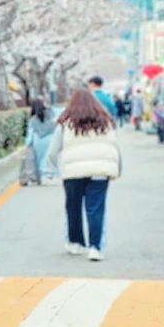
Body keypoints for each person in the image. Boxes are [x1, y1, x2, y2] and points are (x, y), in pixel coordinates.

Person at [47, 87, 120, 261]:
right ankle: (95, 247)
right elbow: (114, 148)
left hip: (73, 173)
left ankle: (76, 243)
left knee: (73, 207)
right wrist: (117, 169)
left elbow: (53, 150)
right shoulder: (106, 123)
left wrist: (49, 170)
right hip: (99, 172)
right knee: (96, 209)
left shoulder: (65, 124)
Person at [25, 97, 56, 182]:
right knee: (48, 157)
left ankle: (39, 175)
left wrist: (28, 144)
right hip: (50, 138)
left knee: (38, 159)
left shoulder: (33, 119)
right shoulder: (50, 114)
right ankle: (49, 173)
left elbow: (30, 134)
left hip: (38, 139)